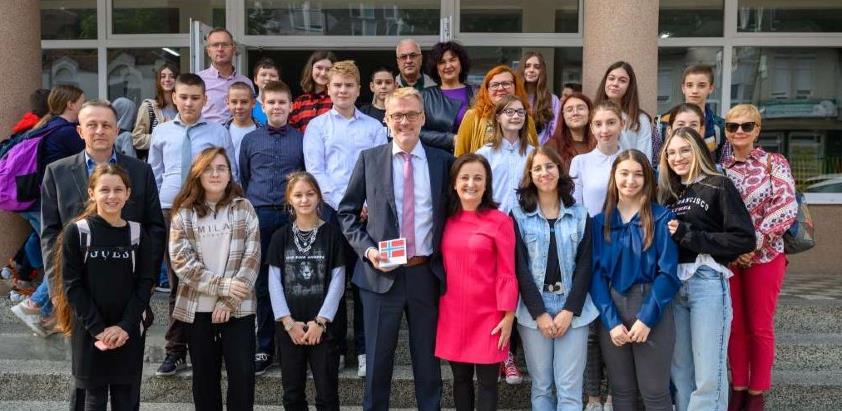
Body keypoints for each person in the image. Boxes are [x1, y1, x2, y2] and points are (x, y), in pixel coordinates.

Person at [39, 100, 166, 410]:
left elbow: (155, 227)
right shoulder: (57, 171)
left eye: (106, 125)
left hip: (128, 294)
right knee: (86, 384)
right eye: (92, 125)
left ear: (117, 130)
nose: (99, 131)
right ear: (80, 131)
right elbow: (50, 233)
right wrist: (57, 287)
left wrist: (146, 281)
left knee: (127, 384)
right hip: (81, 295)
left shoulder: (140, 171)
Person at [338, 87, 453, 411]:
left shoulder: (442, 161)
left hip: (425, 273)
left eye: (411, 114)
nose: (405, 121)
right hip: (380, 274)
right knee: (377, 363)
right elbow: (346, 213)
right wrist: (369, 251)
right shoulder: (370, 159)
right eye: (397, 115)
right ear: (386, 120)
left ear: (423, 118)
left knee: (428, 362)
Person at [657, 127, 755, 411]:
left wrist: (689, 236)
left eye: (684, 150)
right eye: (671, 153)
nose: (678, 157)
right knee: (681, 373)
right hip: (674, 287)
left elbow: (744, 238)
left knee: (708, 374)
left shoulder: (718, 185)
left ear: (698, 150)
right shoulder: (668, 193)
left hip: (707, 282)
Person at [149, 72, 237, 377]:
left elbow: (231, 173)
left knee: (212, 276)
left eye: (195, 98)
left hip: (207, 212)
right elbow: (154, 174)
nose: (188, 103)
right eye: (183, 97)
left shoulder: (218, 132)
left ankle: (215, 345)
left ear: (205, 100)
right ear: (174, 97)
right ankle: (175, 350)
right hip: (170, 211)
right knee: (178, 282)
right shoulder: (161, 132)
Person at [305, 60, 388, 378]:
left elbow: (380, 169)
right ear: (328, 89)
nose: (342, 90)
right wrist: (346, 204)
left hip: (368, 215)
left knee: (366, 283)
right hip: (331, 213)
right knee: (333, 283)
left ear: (358, 90)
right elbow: (316, 171)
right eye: (337, 85)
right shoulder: (317, 127)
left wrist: (365, 203)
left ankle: (365, 350)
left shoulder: (374, 128)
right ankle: (336, 348)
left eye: (348, 85)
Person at [51, 163, 154, 411]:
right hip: (90, 331)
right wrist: (99, 329)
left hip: (128, 331)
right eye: (104, 190)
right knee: (92, 401)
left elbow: (145, 285)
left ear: (128, 194)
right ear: (91, 193)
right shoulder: (78, 232)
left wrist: (125, 326)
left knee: (126, 400)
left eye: (118, 190)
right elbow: (72, 286)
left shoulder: (137, 233)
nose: (112, 196)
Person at [168, 147, 259, 411]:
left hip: (239, 308)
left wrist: (228, 300)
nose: (215, 174)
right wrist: (224, 286)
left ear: (230, 174)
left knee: (242, 380)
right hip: (197, 310)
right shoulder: (183, 213)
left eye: (221, 168)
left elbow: (252, 258)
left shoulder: (244, 208)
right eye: (208, 168)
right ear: (197, 174)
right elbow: (183, 264)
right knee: (205, 383)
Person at [720, 104, 797, 411]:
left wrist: (753, 245)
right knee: (735, 326)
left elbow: (785, 206)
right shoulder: (720, 168)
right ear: (726, 132)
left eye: (746, 125)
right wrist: (733, 250)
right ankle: (738, 387)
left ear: (757, 130)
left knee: (760, 327)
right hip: (731, 259)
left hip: (766, 256)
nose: (739, 131)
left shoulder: (773, 163)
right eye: (733, 126)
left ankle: (756, 393)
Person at [590, 149, 681, 411]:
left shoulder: (662, 218)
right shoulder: (599, 223)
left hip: (651, 307)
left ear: (647, 179)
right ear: (614, 177)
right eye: (624, 173)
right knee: (622, 392)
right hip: (613, 309)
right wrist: (611, 322)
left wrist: (647, 319)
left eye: (638, 174)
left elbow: (668, 273)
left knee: (655, 393)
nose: (630, 180)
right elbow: (595, 276)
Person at [511, 146, 598, 411]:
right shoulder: (518, 216)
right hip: (533, 312)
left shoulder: (580, 215)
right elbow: (520, 268)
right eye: (537, 168)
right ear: (530, 175)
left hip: (572, 309)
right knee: (542, 387)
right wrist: (540, 314)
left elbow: (585, 266)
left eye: (549, 166)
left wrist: (569, 311)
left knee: (570, 390)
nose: (544, 172)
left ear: (559, 170)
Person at [437, 153, 518, 411]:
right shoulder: (444, 220)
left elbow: (507, 271)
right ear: (454, 183)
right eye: (464, 177)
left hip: (489, 315)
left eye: (478, 178)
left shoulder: (500, 221)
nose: (470, 184)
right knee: (460, 380)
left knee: (488, 383)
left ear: (486, 184)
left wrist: (508, 316)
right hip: (452, 313)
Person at [239, 79, 305, 375]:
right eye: (271, 102)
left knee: (294, 280)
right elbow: (245, 175)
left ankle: (294, 344)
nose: (277, 107)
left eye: (282, 102)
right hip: (260, 215)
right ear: (262, 107)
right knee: (264, 283)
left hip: (293, 216)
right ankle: (264, 346)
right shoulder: (250, 141)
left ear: (291, 106)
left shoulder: (301, 139)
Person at [10, 84, 87, 336]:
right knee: (63, 257)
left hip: (32, 201)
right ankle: (34, 305)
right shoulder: (66, 132)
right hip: (49, 202)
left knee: (56, 254)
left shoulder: (46, 125)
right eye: (82, 102)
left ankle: (45, 316)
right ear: (71, 104)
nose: (84, 106)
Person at [267, 171, 346, 411]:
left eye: (310, 194)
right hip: (290, 329)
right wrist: (288, 322)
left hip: (324, 328)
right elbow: (273, 282)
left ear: (319, 197)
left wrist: (321, 321)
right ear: (289, 199)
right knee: (292, 395)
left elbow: (338, 281)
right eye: (298, 195)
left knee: (327, 395)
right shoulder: (280, 237)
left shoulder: (332, 235)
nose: (304, 200)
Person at [455, 65, 539, 156]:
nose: (500, 88)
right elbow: (460, 156)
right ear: (487, 90)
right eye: (494, 85)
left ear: (515, 87)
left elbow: (536, 156)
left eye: (506, 83)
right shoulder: (473, 116)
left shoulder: (526, 119)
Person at [475, 94, 535, 213]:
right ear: (498, 117)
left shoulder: (533, 153)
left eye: (520, 112)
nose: (516, 116)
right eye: (509, 112)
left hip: (526, 218)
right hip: (493, 218)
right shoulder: (484, 154)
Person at [657, 65, 728, 162]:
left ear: (711, 88)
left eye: (701, 86)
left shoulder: (720, 127)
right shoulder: (662, 123)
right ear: (683, 88)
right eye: (689, 85)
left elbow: (722, 164)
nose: (695, 91)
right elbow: (656, 163)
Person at [569, 101, 624, 217]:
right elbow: (575, 208)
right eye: (598, 124)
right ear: (592, 128)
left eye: (611, 123)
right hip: (593, 226)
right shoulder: (580, 162)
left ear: (622, 124)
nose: (604, 130)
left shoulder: (633, 161)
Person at [419, 41, 474, 152]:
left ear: (461, 63)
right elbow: (417, 131)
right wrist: (451, 139)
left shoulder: (476, 92)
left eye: (452, 60)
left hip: (472, 155)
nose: (448, 66)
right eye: (442, 62)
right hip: (439, 157)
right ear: (436, 67)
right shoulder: (425, 96)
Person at [594, 61, 653, 162]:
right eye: (611, 78)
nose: (615, 84)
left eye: (622, 81)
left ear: (629, 86)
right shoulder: (593, 114)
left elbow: (644, 158)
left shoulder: (640, 119)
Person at [199, 28, 254, 124]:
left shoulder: (246, 83)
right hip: (208, 132)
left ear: (233, 49)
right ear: (209, 51)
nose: (220, 49)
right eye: (215, 45)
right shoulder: (198, 80)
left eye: (225, 45)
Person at [133, 63, 179, 160]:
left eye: (172, 76)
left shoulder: (182, 109)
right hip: (155, 162)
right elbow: (137, 139)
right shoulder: (148, 106)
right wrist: (162, 134)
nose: (167, 79)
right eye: (163, 76)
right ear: (158, 81)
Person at [544, 92, 596, 172]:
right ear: (563, 115)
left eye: (580, 108)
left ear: (590, 112)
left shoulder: (600, 142)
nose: (575, 113)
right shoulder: (552, 146)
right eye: (569, 110)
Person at [518, 51, 560, 145]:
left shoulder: (553, 100)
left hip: (543, 149)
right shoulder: (513, 98)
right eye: (527, 66)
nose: (531, 70)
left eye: (537, 67)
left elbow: (554, 132)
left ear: (542, 71)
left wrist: (541, 149)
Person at [289, 50, 337, 132]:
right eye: (319, 68)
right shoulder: (299, 102)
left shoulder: (336, 100)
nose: (323, 73)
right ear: (311, 69)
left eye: (328, 69)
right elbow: (293, 134)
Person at [224, 81, 263, 162]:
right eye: (234, 102)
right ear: (227, 103)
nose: (239, 106)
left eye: (244, 102)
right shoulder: (221, 131)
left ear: (253, 103)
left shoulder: (263, 131)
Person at [251, 57, 281, 125]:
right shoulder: (249, 104)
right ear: (255, 80)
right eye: (263, 75)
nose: (268, 78)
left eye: (273, 76)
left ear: (279, 81)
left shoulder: (283, 104)